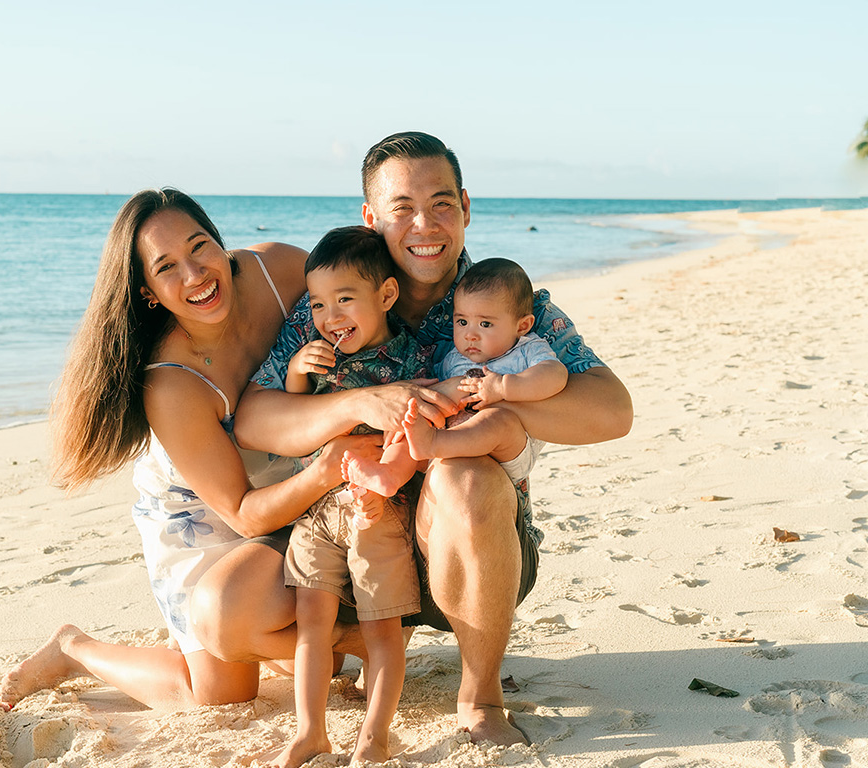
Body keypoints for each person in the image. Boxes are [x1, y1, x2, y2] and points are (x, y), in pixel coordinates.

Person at [232, 131, 633, 745]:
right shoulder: (339, 304)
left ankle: (480, 695)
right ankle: (366, 645)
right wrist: (365, 401)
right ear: (371, 218)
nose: (425, 223)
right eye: (402, 208)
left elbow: (613, 411)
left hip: (480, 544)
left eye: (442, 203)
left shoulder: (503, 301)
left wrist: (485, 395)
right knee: (236, 607)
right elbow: (257, 416)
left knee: (464, 474)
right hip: (355, 533)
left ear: (467, 208)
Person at [0, 188, 376, 711]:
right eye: (167, 267)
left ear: (222, 245)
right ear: (149, 291)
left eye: (200, 247)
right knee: (218, 693)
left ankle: (278, 641)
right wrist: (328, 470)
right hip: (206, 509)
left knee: (303, 651)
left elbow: (360, 298)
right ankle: (75, 649)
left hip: (294, 477)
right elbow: (242, 513)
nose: (195, 274)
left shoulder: (281, 271)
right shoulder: (171, 383)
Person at [272, 225, 432, 767]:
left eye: (345, 300)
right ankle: (310, 731)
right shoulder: (319, 356)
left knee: (380, 628)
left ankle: (375, 735)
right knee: (311, 623)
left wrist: (382, 487)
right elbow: (296, 418)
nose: (330, 316)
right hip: (316, 511)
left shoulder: (409, 362)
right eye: (318, 303)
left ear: (386, 296)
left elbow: (413, 438)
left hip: (376, 511)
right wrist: (296, 372)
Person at [345, 257, 567, 501]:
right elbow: (437, 395)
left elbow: (555, 375)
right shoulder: (453, 357)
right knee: (414, 422)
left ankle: (432, 444)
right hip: (448, 442)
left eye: (485, 323)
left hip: (508, 449)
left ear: (522, 325)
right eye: (462, 321)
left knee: (496, 420)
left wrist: (504, 387)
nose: (470, 334)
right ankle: (388, 474)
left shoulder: (526, 349)